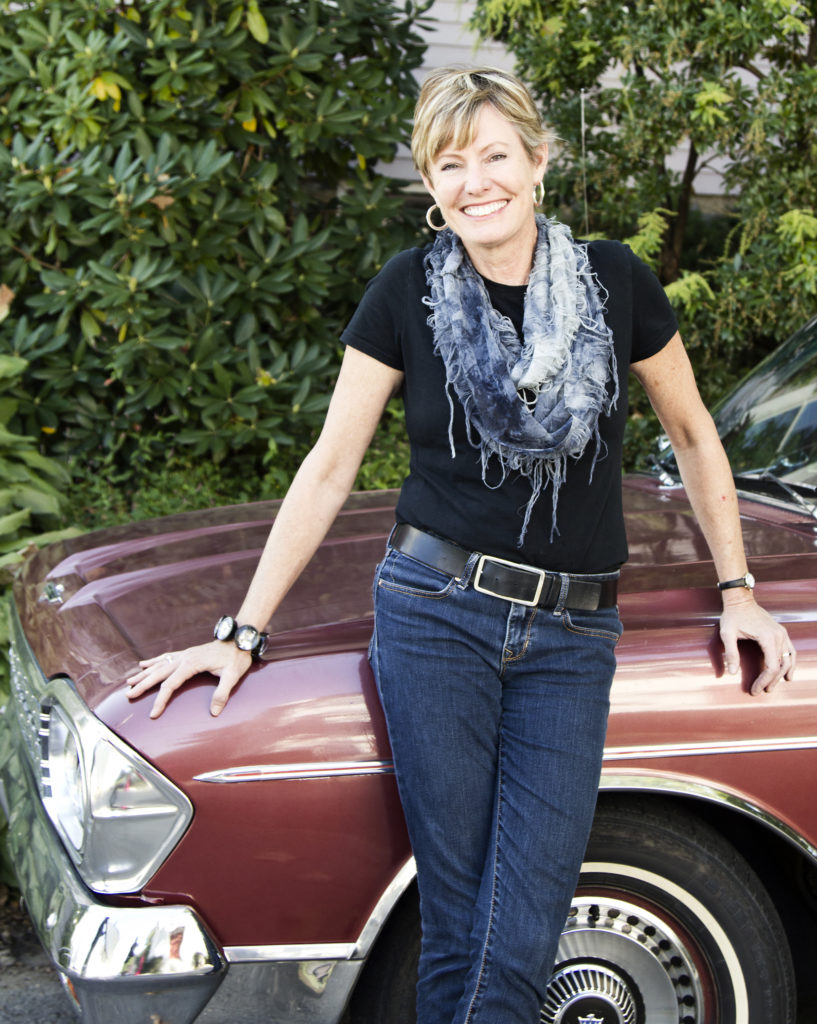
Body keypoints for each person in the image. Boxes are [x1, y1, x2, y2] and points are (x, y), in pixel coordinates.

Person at [126, 66, 796, 1024]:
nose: (475, 179)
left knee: (517, 924)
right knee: (458, 919)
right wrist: (241, 633)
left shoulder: (617, 283)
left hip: (571, 642)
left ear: (538, 160)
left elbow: (692, 436)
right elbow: (328, 466)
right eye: (450, 162)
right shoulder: (405, 292)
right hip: (436, 618)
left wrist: (738, 587)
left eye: (493, 155)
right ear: (433, 185)